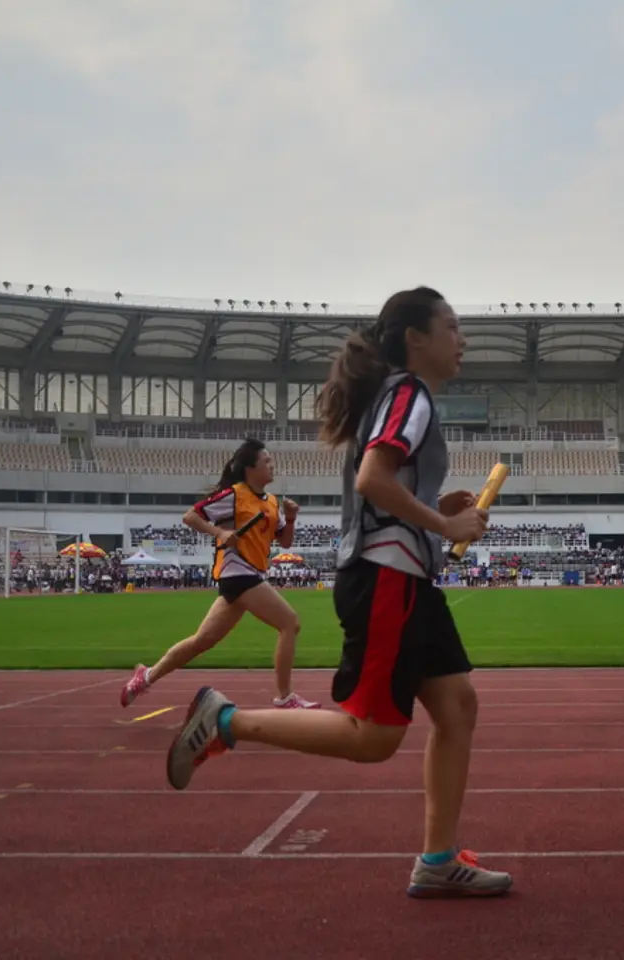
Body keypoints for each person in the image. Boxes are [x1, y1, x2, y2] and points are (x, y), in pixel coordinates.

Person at [164, 286, 512, 899]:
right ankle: (225, 720)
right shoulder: (410, 394)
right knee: (373, 737)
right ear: (416, 337)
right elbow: (374, 478)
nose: (464, 340)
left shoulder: (393, 395)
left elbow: (384, 485)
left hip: (403, 576)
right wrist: (444, 524)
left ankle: (437, 860)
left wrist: (435, 504)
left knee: (457, 707)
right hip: (387, 578)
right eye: (453, 327)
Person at [120, 438, 318, 710]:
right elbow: (191, 516)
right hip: (238, 573)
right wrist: (221, 532)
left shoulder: (271, 502)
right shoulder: (234, 495)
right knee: (289, 622)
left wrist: (292, 518)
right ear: (250, 468)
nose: (273, 466)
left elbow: (284, 542)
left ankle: (146, 676)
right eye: (267, 462)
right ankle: (285, 697)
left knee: (202, 641)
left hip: (251, 575)